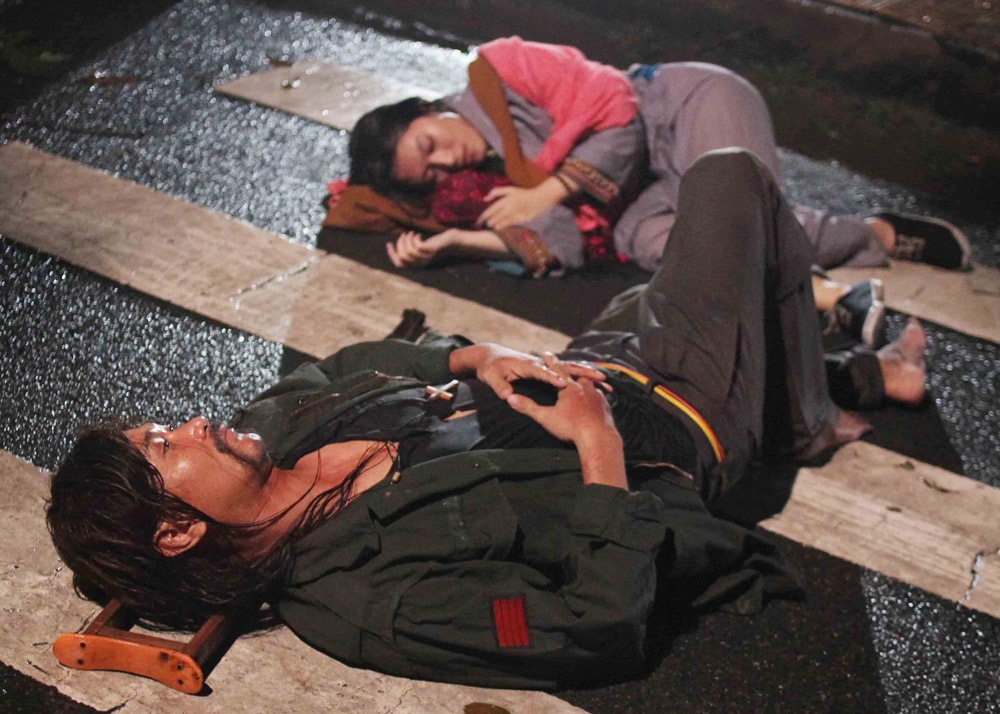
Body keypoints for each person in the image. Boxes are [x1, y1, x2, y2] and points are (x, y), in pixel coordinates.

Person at [49, 151, 927, 690]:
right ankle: (809, 412)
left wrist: (475, 359)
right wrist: (597, 443)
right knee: (730, 180)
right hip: (675, 418)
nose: (190, 423)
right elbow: (593, 626)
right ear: (175, 531)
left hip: (593, 355)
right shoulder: (373, 599)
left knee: (679, 236)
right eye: (164, 445)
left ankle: (839, 382)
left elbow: (348, 367)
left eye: (164, 424)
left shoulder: (268, 439)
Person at [330, 36, 970, 281]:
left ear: (425, 108)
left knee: (737, 213)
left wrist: (547, 190)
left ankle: (852, 261)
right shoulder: (477, 182)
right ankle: (872, 238)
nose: (447, 160)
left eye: (429, 143)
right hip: (639, 202)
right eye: (432, 172)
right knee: (674, 247)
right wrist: (460, 242)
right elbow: (563, 244)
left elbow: (617, 115)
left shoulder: (501, 72)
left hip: (681, 106)